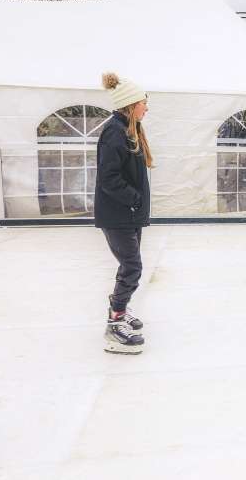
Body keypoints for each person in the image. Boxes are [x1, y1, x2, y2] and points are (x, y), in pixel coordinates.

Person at [96, 73, 152, 354]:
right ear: (130, 105)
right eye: (143, 102)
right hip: (118, 214)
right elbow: (109, 178)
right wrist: (133, 199)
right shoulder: (114, 132)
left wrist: (137, 205)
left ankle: (120, 307)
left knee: (130, 266)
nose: (146, 107)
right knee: (132, 267)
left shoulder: (128, 130)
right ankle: (115, 321)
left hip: (129, 214)